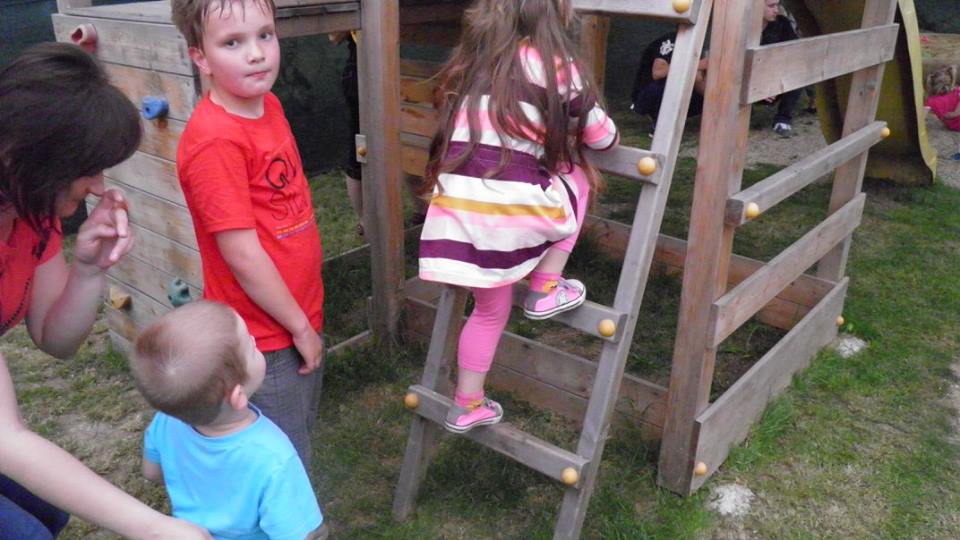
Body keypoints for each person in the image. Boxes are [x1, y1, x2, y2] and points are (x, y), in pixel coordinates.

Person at [0, 43, 209, 539]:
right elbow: (6, 439)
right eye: (87, 168)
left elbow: (55, 339)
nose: (98, 186)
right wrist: (153, 528)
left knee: (46, 514)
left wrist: (89, 270)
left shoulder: (31, 214)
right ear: (23, 157)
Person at [417, 0, 618, 433]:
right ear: (557, 13)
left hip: (457, 213)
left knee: (489, 311)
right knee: (576, 175)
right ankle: (546, 286)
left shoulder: (475, 65)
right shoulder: (557, 66)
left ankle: (466, 404)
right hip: (503, 213)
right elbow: (604, 139)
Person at [170, 0, 325, 469]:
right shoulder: (215, 142)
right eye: (233, 42)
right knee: (280, 462)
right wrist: (299, 328)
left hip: (297, 314)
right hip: (264, 338)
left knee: (298, 434)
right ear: (200, 57)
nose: (256, 53)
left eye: (265, 35)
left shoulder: (268, 105)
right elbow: (242, 254)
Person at [130, 301, 328, 540]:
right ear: (237, 395)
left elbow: (152, 472)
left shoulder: (165, 422)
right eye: (250, 347)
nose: (254, 341)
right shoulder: (273, 456)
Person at [330, 30, 428, 235]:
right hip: (361, 74)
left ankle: (422, 211)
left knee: (409, 142)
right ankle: (366, 221)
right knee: (361, 150)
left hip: (394, 72)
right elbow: (333, 35)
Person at [630, 31, 708, 127]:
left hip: (670, 90)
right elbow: (658, 72)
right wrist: (697, 65)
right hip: (647, 92)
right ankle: (660, 124)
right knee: (675, 82)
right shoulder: (672, 41)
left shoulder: (699, 44)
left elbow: (698, 78)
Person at [760, 0, 802, 137]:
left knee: (798, 73)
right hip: (748, 81)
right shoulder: (740, 26)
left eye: (777, 5)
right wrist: (760, 85)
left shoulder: (782, 23)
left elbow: (794, 52)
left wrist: (774, 81)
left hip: (776, 79)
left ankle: (783, 118)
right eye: (771, 6)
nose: (777, 10)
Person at [924, 65, 960, 160]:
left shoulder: (930, 101)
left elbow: (921, 117)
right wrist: (956, 112)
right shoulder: (957, 91)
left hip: (955, 126)